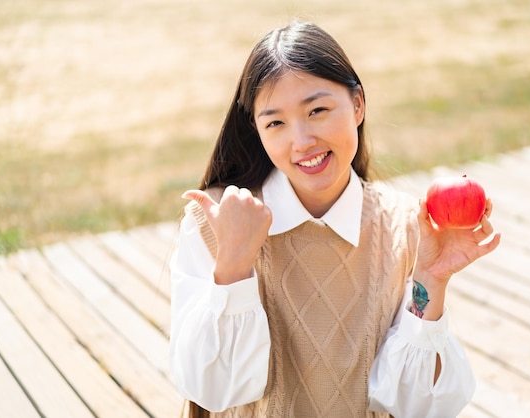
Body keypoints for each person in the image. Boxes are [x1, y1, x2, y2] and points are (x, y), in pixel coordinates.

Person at [169, 20, 501, 418]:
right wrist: (234, 266)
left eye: (318, 110)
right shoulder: (216, 221)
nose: (302, 141)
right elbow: (211, 390)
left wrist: (430, 279)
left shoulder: (405, 225)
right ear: (256, 130)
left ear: (357, 104)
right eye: (276, 122)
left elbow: (414, 405)